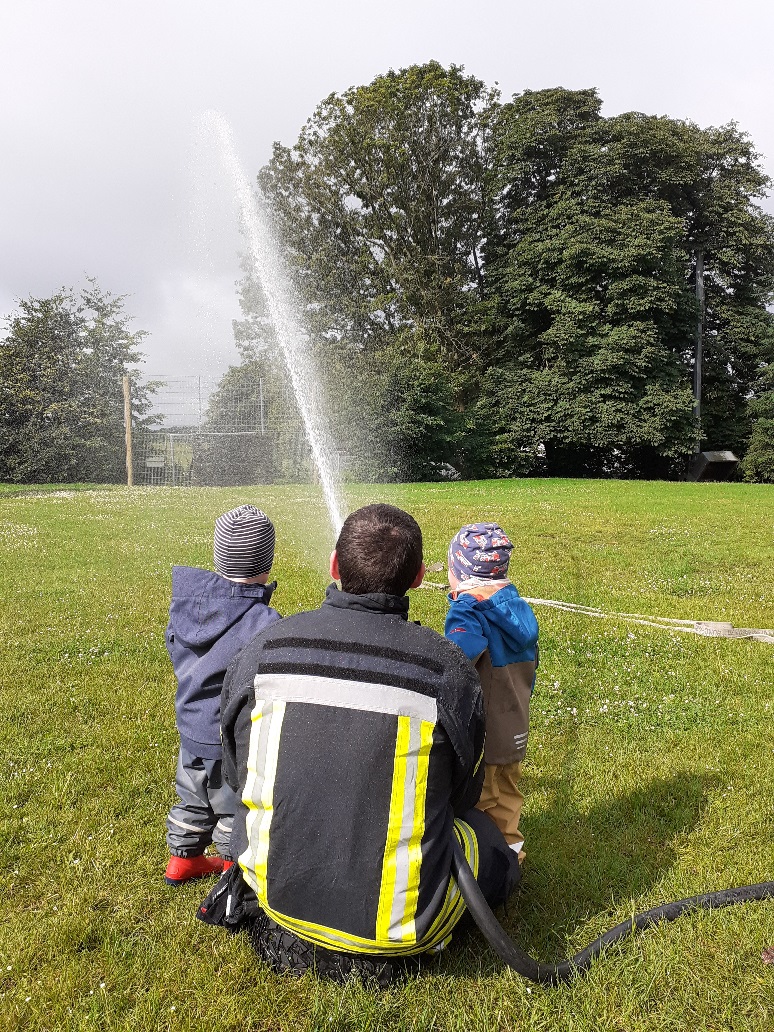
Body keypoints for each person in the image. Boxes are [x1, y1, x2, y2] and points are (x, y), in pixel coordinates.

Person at [210, 503, 520, 982]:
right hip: (403, 929)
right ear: (418, 577)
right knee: (489, 844)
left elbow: (236, 772)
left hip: (275, 898)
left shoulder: (263, 651)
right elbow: (459, 797)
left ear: (334, 566)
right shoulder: (447, 672)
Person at [164, 504, 281, 885]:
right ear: (267, 560)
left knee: (193, 797)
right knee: (234, 807)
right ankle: (234, 870)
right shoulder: (263, 622)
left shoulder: (186, 609)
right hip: (232, 739)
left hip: (191, 731)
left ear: (219, 557)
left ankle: (181, 860)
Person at [445, 523, 539, 861]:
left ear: (462, 572)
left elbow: (456, 658)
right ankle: (513, 853)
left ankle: (486, 863)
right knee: (509, 796)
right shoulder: (519, 612)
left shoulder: (468, 611)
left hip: (483, 737)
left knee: (478, 802)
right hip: (515, 730)